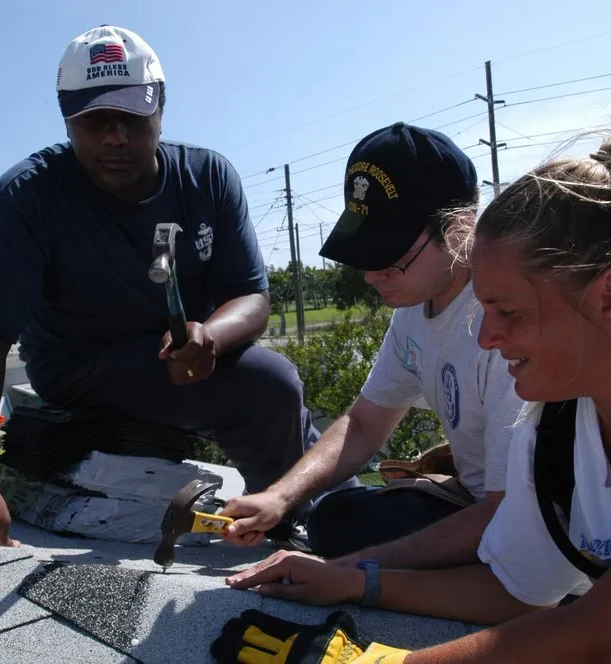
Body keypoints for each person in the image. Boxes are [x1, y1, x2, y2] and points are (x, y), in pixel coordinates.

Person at [216, 128, 611, 663]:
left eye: (508, 311)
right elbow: (511, 589)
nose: (486, 334)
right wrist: (351, 580)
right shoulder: (552, 424)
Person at [0, 24, 329, 583]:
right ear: (66, 118)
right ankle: (316, 524)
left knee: (288, 405)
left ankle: (329, 507)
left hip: (178, 353)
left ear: (160, 110)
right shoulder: (25, 198)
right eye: (93, 120)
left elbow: (252, 297)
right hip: (81, 367)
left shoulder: (207, 178)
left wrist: (209, 335)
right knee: (268, 384)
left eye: (131, 117)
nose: (114, 136)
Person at [219, 122, 524, 564]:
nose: (370, 275)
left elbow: (511, 515)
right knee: (331, 520)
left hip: (523, 520)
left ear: (458, 230)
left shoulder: (502, 323)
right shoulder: (415, 308)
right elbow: (364, 425)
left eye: (391, 257)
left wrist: (349, 577)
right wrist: (279, 497)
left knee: (354, 539)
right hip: (479, 502)